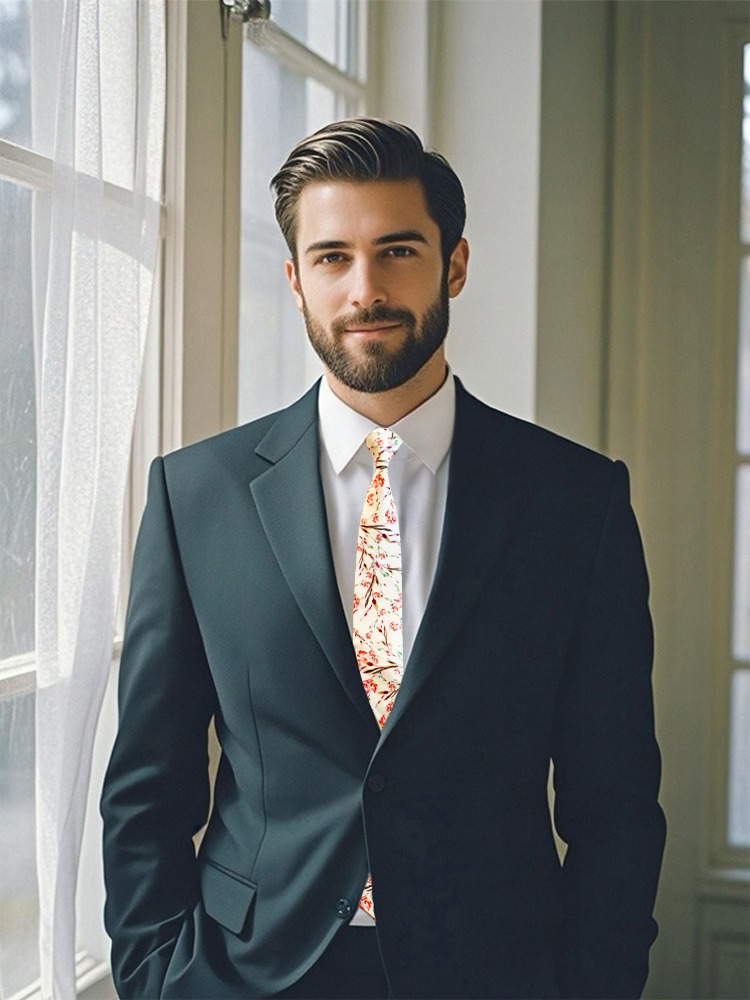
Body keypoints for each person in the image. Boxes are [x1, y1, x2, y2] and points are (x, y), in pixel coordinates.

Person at [100, 118, 666, 1000]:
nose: (365, 289)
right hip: (245, 973)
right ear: (294, 281)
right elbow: (147, 787)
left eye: (398, 250)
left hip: (498, 971)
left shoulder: (575, 502)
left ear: (456, 264)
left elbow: (617, 802)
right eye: (331, 257)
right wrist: (153, 977)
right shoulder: (194, 496)